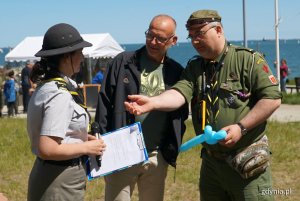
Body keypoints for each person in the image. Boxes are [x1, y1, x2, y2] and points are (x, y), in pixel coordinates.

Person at [125, 10, 282, 201]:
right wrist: (154, 102)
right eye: (191, 36)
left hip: (246, 161)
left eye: (199, 34)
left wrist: (241, 127)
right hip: (211, 165)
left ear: (218, 30)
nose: (195, 41)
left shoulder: (248, 60)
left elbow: (272, 98)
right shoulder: (195, 67)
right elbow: (179, 93)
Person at [95, 14, 188, 201]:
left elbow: (180, 113)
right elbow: (104, 103)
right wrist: (100, 139)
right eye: (149, 35)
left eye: (160, 38)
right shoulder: (122, 62)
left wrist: (168, 150)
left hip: (156, 155)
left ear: (173, 40)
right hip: (121, 152)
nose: (152, 42)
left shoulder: (176, 72)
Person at [27, 23, 106, 201]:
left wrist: (81, 137)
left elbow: (60, 132)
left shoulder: (48, 86)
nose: (83, 58)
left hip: (53, 174)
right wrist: (86, 147)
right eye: (80, 52)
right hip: (59, 179)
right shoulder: (59, 94)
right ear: (66, 56)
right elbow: (48, 147)